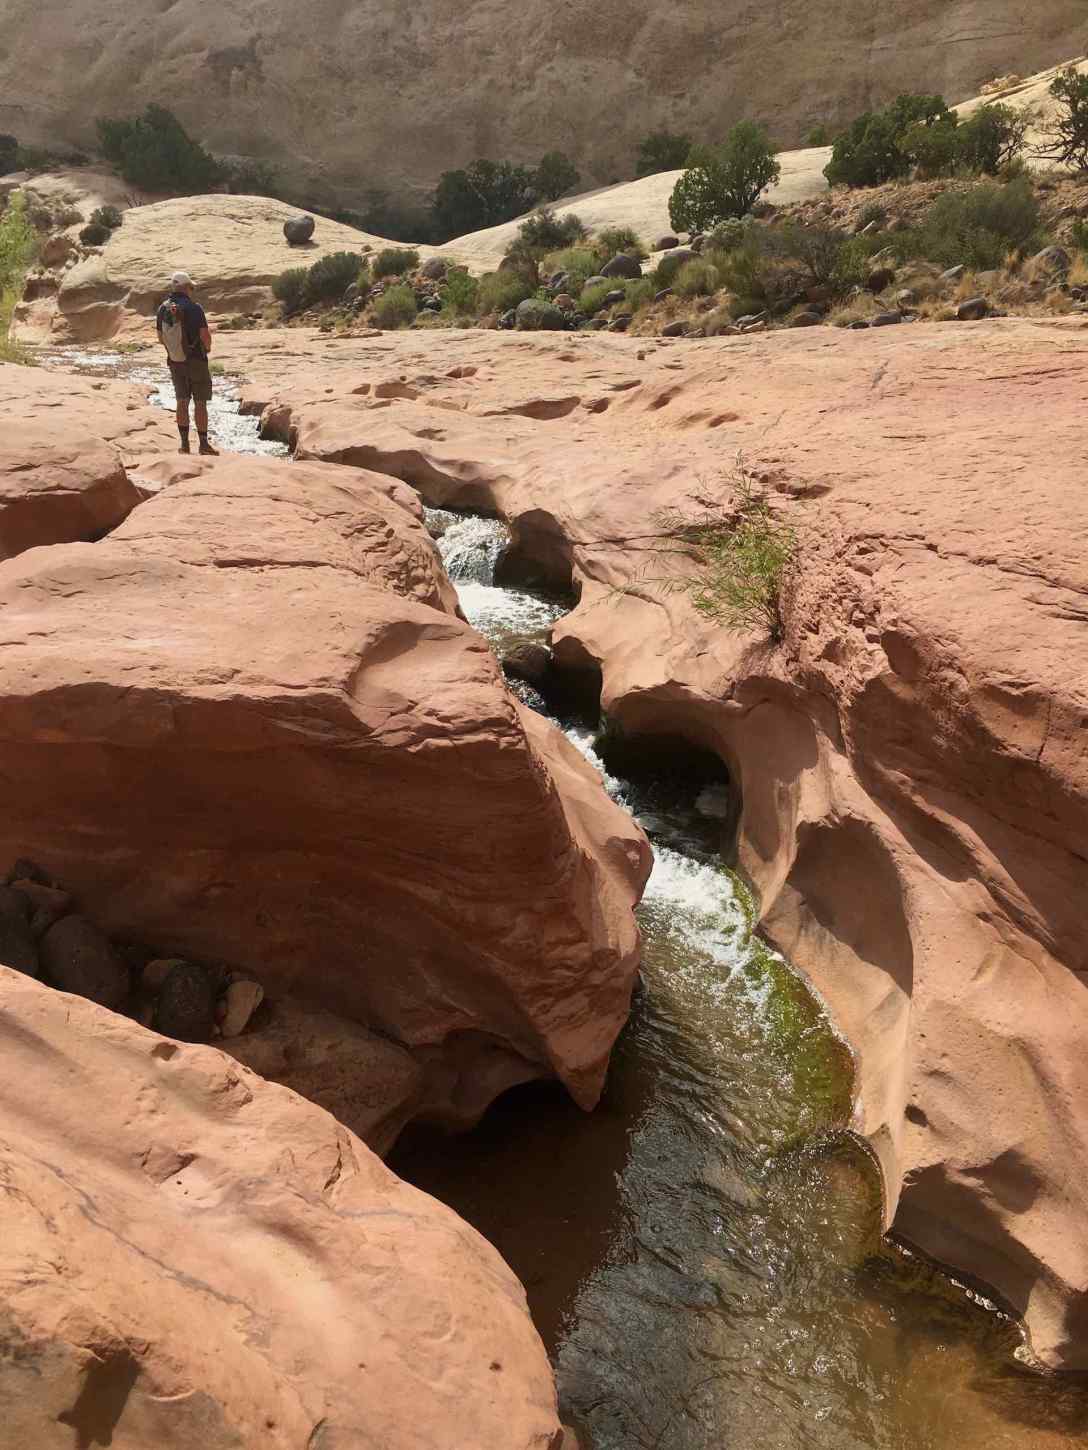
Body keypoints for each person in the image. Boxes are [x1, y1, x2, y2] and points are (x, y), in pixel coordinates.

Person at [156, 271, 219, 455]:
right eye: (191, 287)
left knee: (181, 401)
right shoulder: (195, 308)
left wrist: (176, 350)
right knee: (200, 403)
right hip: (196, 361)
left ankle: (184, 445)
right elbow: (205, 336)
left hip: (176, 362)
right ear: (185, 288)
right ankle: (203, 445)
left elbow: (160, 338)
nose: (192, 291)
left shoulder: (163, 309)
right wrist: (206, 349)